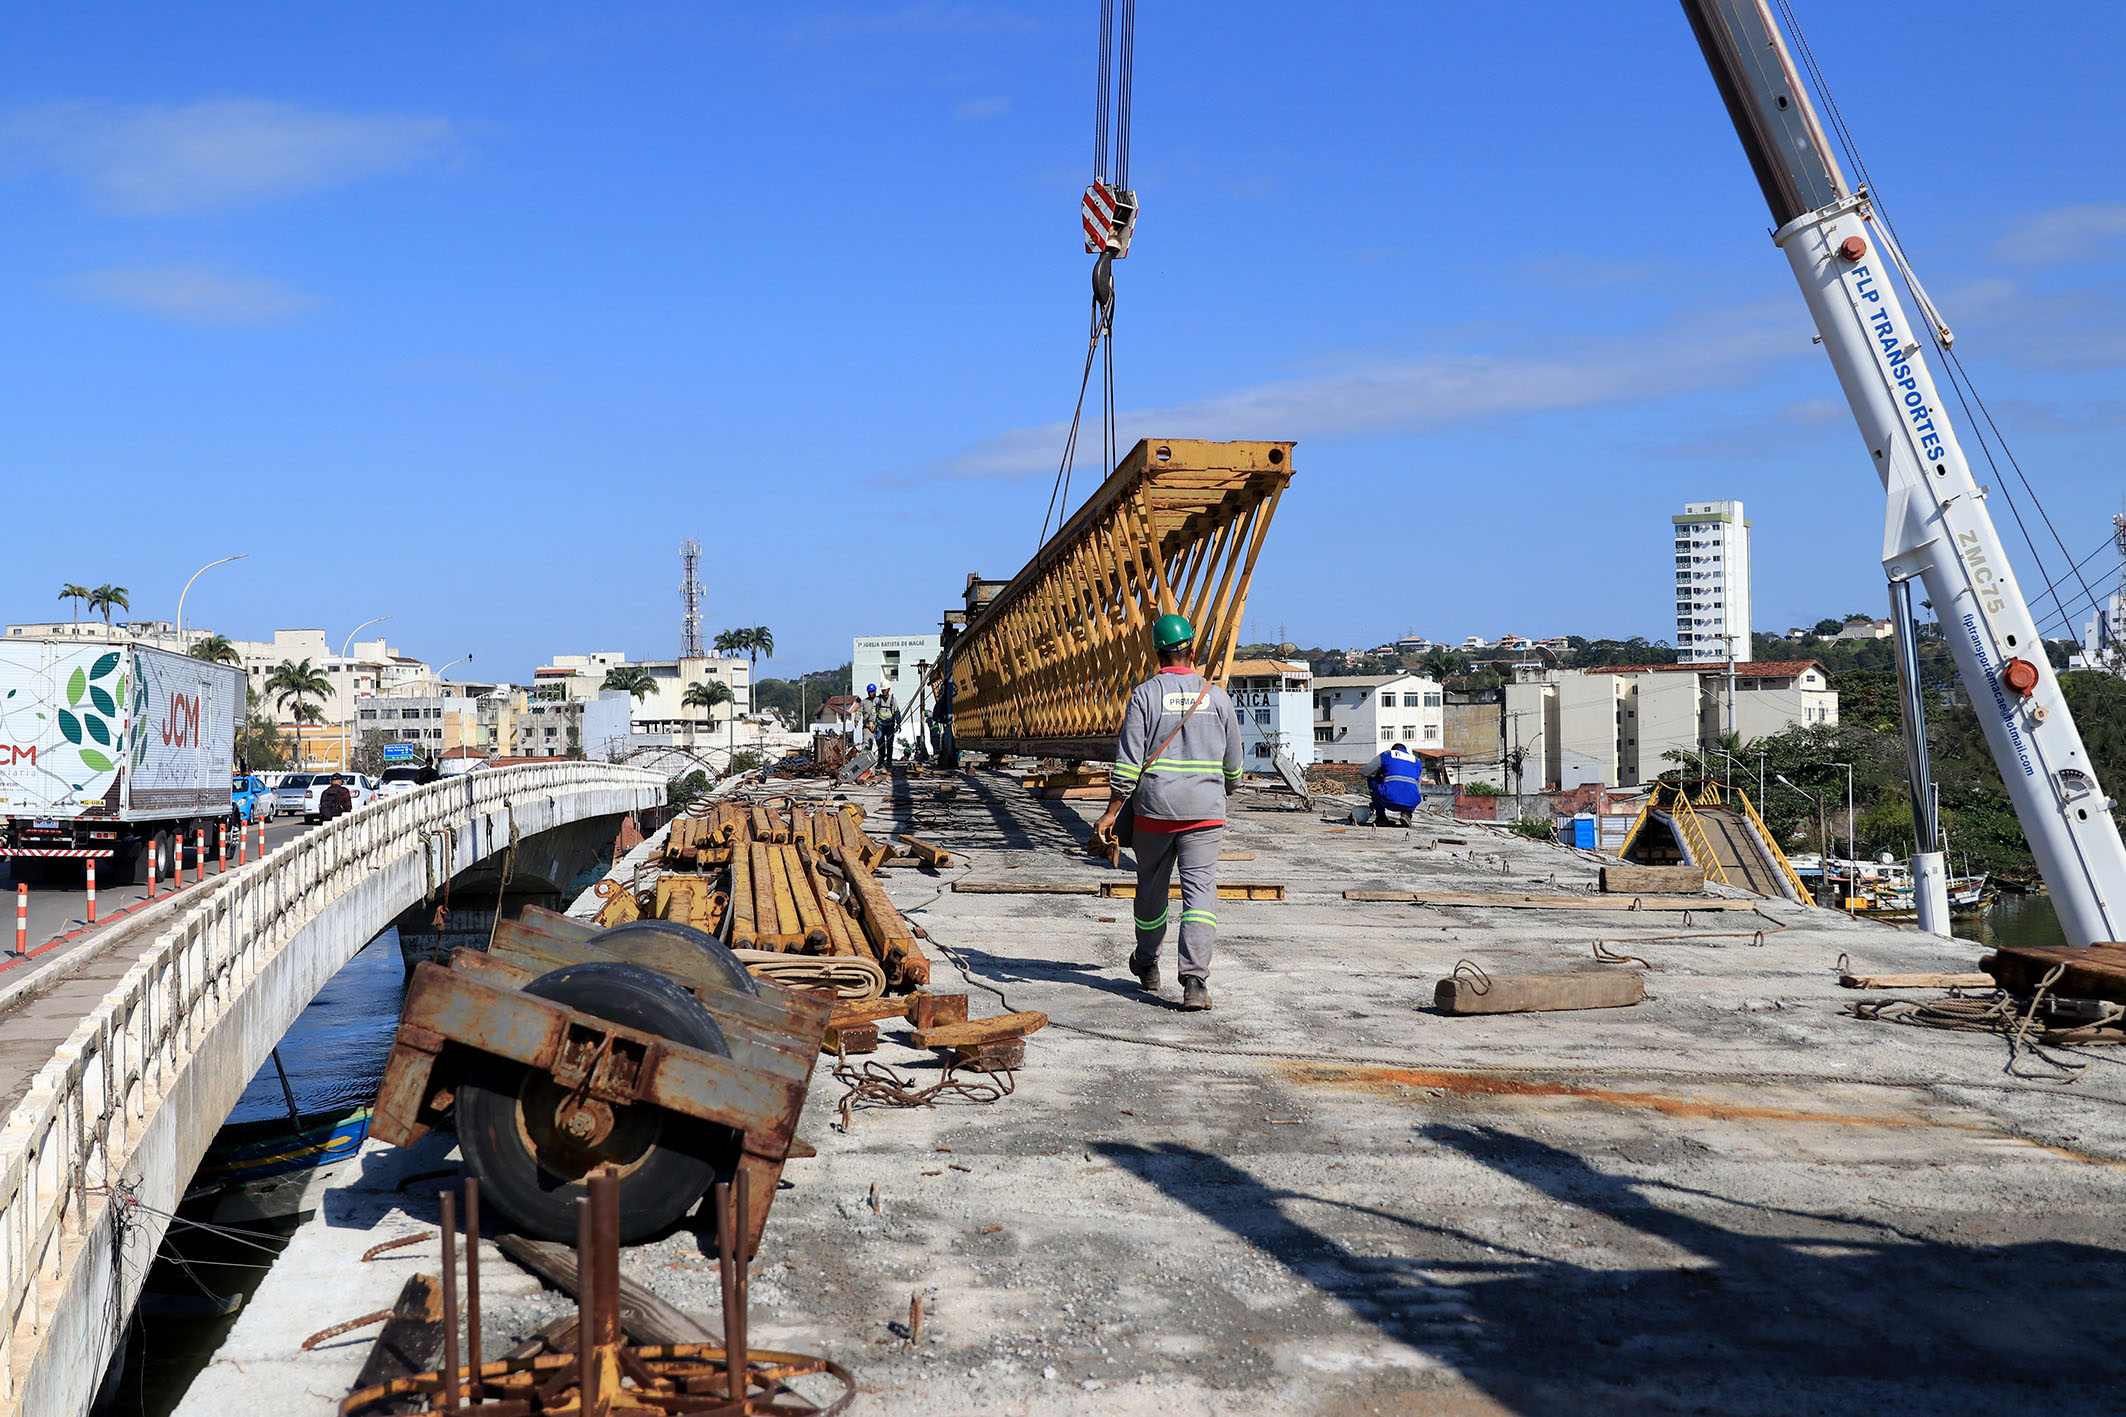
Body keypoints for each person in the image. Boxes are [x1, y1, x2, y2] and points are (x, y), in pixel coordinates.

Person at [1092, 613, 1243, 1012]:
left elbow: (1127, 764)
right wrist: (1221, 789)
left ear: (1156, 654)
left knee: (1151, 890)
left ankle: (1146, 962)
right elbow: (1235, 766)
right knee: (1200, 895)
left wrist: (1111, 812)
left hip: (1155, 812)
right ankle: (1194, 981)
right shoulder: (1219, 697)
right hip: (1205, 814)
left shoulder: (1145, 696)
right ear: (1192, 651)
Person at [1364, 742, 1424, 827]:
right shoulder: (1416, 761)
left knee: (1372, 778)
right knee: (1412, 786)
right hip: (1411, 803)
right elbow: (1418, 786)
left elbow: (1365, 772)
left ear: (1394, 750)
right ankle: (1407, 814)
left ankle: (1381, 817)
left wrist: (1382, 774)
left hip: (1388, 800)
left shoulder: (1387, 755)